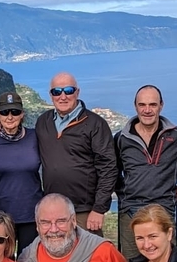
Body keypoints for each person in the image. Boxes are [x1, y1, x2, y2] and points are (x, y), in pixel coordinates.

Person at [114, 85, 177, 259]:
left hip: (163, 211)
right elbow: (112, 170)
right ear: (135, 106)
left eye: (152, 104)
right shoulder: (122, 138)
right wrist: (123, 194)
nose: (147, 110)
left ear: (161, 105)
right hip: (131, 213)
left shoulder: (175, 136)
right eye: (142, 105)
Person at [34, 73, 117, 235]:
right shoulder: (43, 122)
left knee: (89, 257)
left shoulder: (95, 124)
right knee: (56, 256)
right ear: (51, 95)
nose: (63, 96)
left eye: (69, 90)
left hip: (84, 212)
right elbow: (21, 136)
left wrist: (99, 209)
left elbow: (108, 168)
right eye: (57, 92)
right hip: (53, 212)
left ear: (77, 92)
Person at [0, 91, 43, 252]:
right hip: (1, 214)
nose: (10, 117)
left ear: (22, 114)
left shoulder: (35, 137)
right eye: (4, 112)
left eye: (15, 112)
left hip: (31, 214)